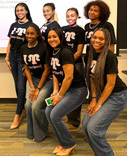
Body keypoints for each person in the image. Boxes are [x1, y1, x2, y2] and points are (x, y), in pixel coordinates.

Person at [82, 28, 127, 156]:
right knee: (86, 125)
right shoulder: (90, 55)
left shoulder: (110, 56)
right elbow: (92, 78)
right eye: (95, 37)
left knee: (94, 129)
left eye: (101, 39)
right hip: (101, 94)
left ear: (107, 41)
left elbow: (110, 84)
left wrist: (98, 105)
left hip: (117, 96)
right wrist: (93, 99)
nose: (96, 40)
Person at [45, 27, 87, 156]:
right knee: (48, 111)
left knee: (55, 115)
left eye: (54, 36)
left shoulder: (66, 52)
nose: (52, 39)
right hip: (66, 89)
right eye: (49, 37)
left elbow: (69, 77)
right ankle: (63, 142)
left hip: (77, 90)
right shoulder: (53, 51)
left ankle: (69, 144)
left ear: (60, 37)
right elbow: (56, 74)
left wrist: (59, 95)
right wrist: (55, 91)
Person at [21, 23, 52, 141]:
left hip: (47, 81)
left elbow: (47, 69)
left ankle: (42, 132)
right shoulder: (24, 48)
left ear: (37, 34)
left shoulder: (43, 47)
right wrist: (32, 87)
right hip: (35, 81)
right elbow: (27, 69)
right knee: (28, 105)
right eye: (27, 33)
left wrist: (38, 89)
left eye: (32, 33)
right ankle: (32, 132)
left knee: (36, 106)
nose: (29, 35)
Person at [5, 2, 33, 129]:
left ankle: (17, 114)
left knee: (21, 86)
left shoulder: (31, 26)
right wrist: (6, 57)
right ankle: (22, 109)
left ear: (26, 11)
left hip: (23, 58)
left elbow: (33, 44)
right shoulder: (13, 25)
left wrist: (27, 61)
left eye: (22, 10)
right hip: (13, 56)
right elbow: (10, 42)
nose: (19, 12)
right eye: (17, 10)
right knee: (17, 84)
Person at [61, 8, 85, 131]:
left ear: (77, 16)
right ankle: (68, 118)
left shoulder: (80, 31)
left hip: (76, 64)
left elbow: (79, 51)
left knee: (75, 92)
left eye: (72, 15)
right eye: (68, 16)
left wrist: (68, 62)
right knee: (66, 91)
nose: (70, 18)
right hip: (64, 64)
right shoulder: (63, 29)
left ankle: (74, 122)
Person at [84, 0, 116, 65]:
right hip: (89, 60)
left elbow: (111, 46)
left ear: (101, 13)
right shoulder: (87, 26)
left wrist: (105, 62)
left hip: (101, 62)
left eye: (96, 11)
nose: (92, 12)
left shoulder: (107, 26)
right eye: (91, 10)